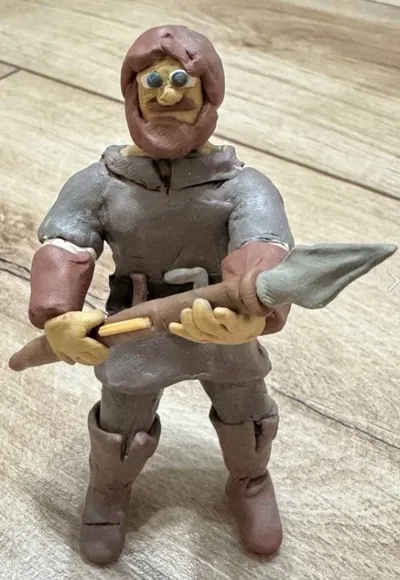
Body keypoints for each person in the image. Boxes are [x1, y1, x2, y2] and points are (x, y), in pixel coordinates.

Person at [28, 25, 294, 565]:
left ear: (208, 94)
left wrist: (256, 308)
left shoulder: (242, 185)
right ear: (133, 94)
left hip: (219, 322)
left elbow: (264, 247)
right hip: (133, 327)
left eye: (181, 82)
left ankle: (250, 481)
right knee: (120, 422)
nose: (167, 96)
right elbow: (65, 245)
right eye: (153, 83)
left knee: (247, 410)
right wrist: (59, 315)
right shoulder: (101, 182)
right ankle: (108, 492)